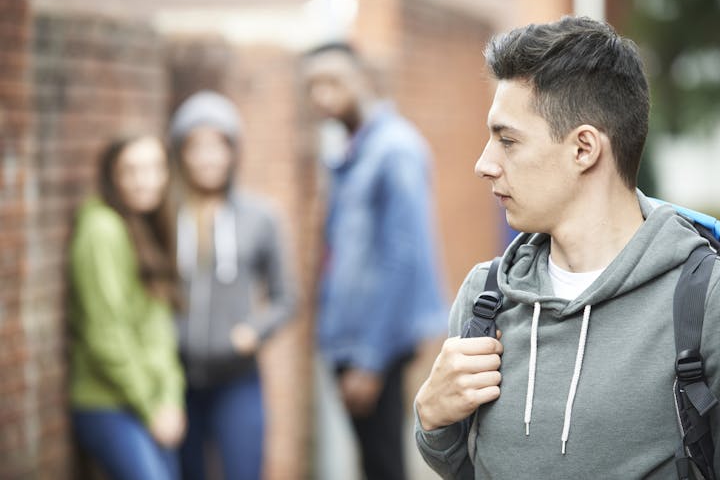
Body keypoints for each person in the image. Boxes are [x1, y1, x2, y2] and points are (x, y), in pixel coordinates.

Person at [414, 16, 720, 479]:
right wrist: (433, 421)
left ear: (584, 149)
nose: (484, 164)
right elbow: (463, 467)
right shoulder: (485, 298)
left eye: (507, 140)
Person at [302, 42, 447, 480]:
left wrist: (369, 358)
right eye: (313, 86)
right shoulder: (351, 149)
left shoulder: (393, 149)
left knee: (383, 464)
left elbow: (404, 258)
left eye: (332, 82)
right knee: (371, 462)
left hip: (374, 344)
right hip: (349, 337)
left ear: (362, 79)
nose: (321, 96)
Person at [168, 90, 295, 480]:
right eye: (196, 147)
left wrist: (254, 332)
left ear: (232, 151)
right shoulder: (167, 215)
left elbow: (286, 297)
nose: (208, 157)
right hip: (174, 380)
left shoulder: (261, 216)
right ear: (181, 153)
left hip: (237, 379)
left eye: (218, 146)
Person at [68, 134, 185, 480]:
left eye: (153, 168)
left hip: (152, 404)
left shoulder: (147, 226)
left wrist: (171, 400)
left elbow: (160, 332)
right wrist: (153, 408)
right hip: (108, 402)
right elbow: (106, 334)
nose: (143, 180)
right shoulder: (102, 229)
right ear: (112, 177)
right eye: (131, 170)